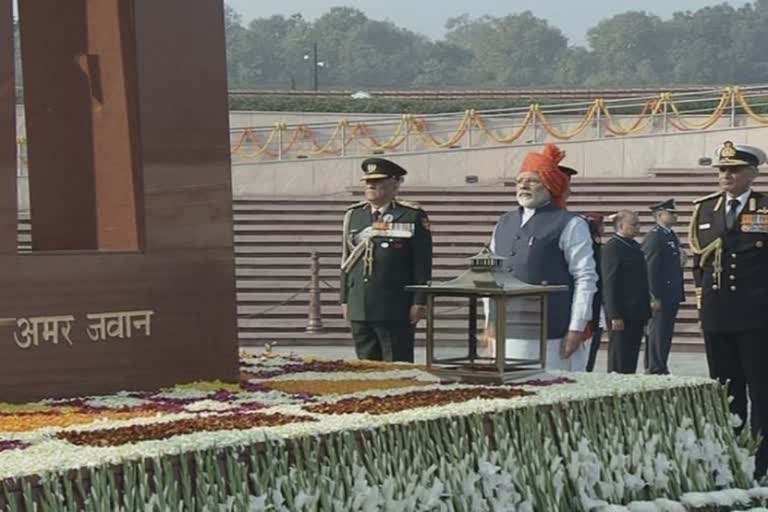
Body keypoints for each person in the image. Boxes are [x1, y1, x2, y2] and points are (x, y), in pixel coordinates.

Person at [689, 141, 768, 480]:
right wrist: (701, 303)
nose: (726, 175)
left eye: (734, 169)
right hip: (718, 315)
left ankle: (763, 462)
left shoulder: (763, 207)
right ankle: (730, 458)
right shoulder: (704, 209)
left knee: (761, 391)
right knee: (724, 390)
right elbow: (699, 264)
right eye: (722, 170)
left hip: (757, 315)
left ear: (753, 173)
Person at [486, 143, 597, 371]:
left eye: (532, 180)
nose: (523, 186)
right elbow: (490, 276)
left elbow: (585, 278)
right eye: (520, 181)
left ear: (549, 185)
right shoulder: (503, 223)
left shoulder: (571, 223)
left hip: (552, 333)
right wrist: (490, 322)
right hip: (507, 329)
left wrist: (576, 328)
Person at [340, 157, 433, 362]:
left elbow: (422, 264)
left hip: (395, 305)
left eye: (378, 181)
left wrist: (419, 301)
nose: (370, 185)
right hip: (360, 303)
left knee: (397, 364)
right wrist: (345, 298)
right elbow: (346, 261)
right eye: (367, 182)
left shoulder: (410, 215)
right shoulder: (354, 215)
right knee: (365, 367)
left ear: (395, 184)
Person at [602, 210, 651, 374]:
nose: (638, 227)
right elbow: (610, 283)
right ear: (621, 225)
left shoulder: (635, 246)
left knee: (632, 355)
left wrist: (648, 307)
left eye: (638, 223)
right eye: (634, 224)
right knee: (619, 357)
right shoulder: (613, 247)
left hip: (637, 311)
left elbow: (642, 280)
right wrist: (614, 314)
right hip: (622, 313)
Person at [642, 199, 685, 375]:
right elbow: (650, 268)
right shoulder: (655, 236)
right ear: (660, 215)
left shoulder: (670, 235)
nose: (675, 215)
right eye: (671, 213)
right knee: (658, 331)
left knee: (665, 331)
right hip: (661, 293)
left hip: (671, 292)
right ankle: (655, 366)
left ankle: (660, 363)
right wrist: (653, 295)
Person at [583, 212, 606, 372]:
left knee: (593, 346)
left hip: (598, 304)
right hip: (589, 305)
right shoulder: (588, 247)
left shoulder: (597, 246)